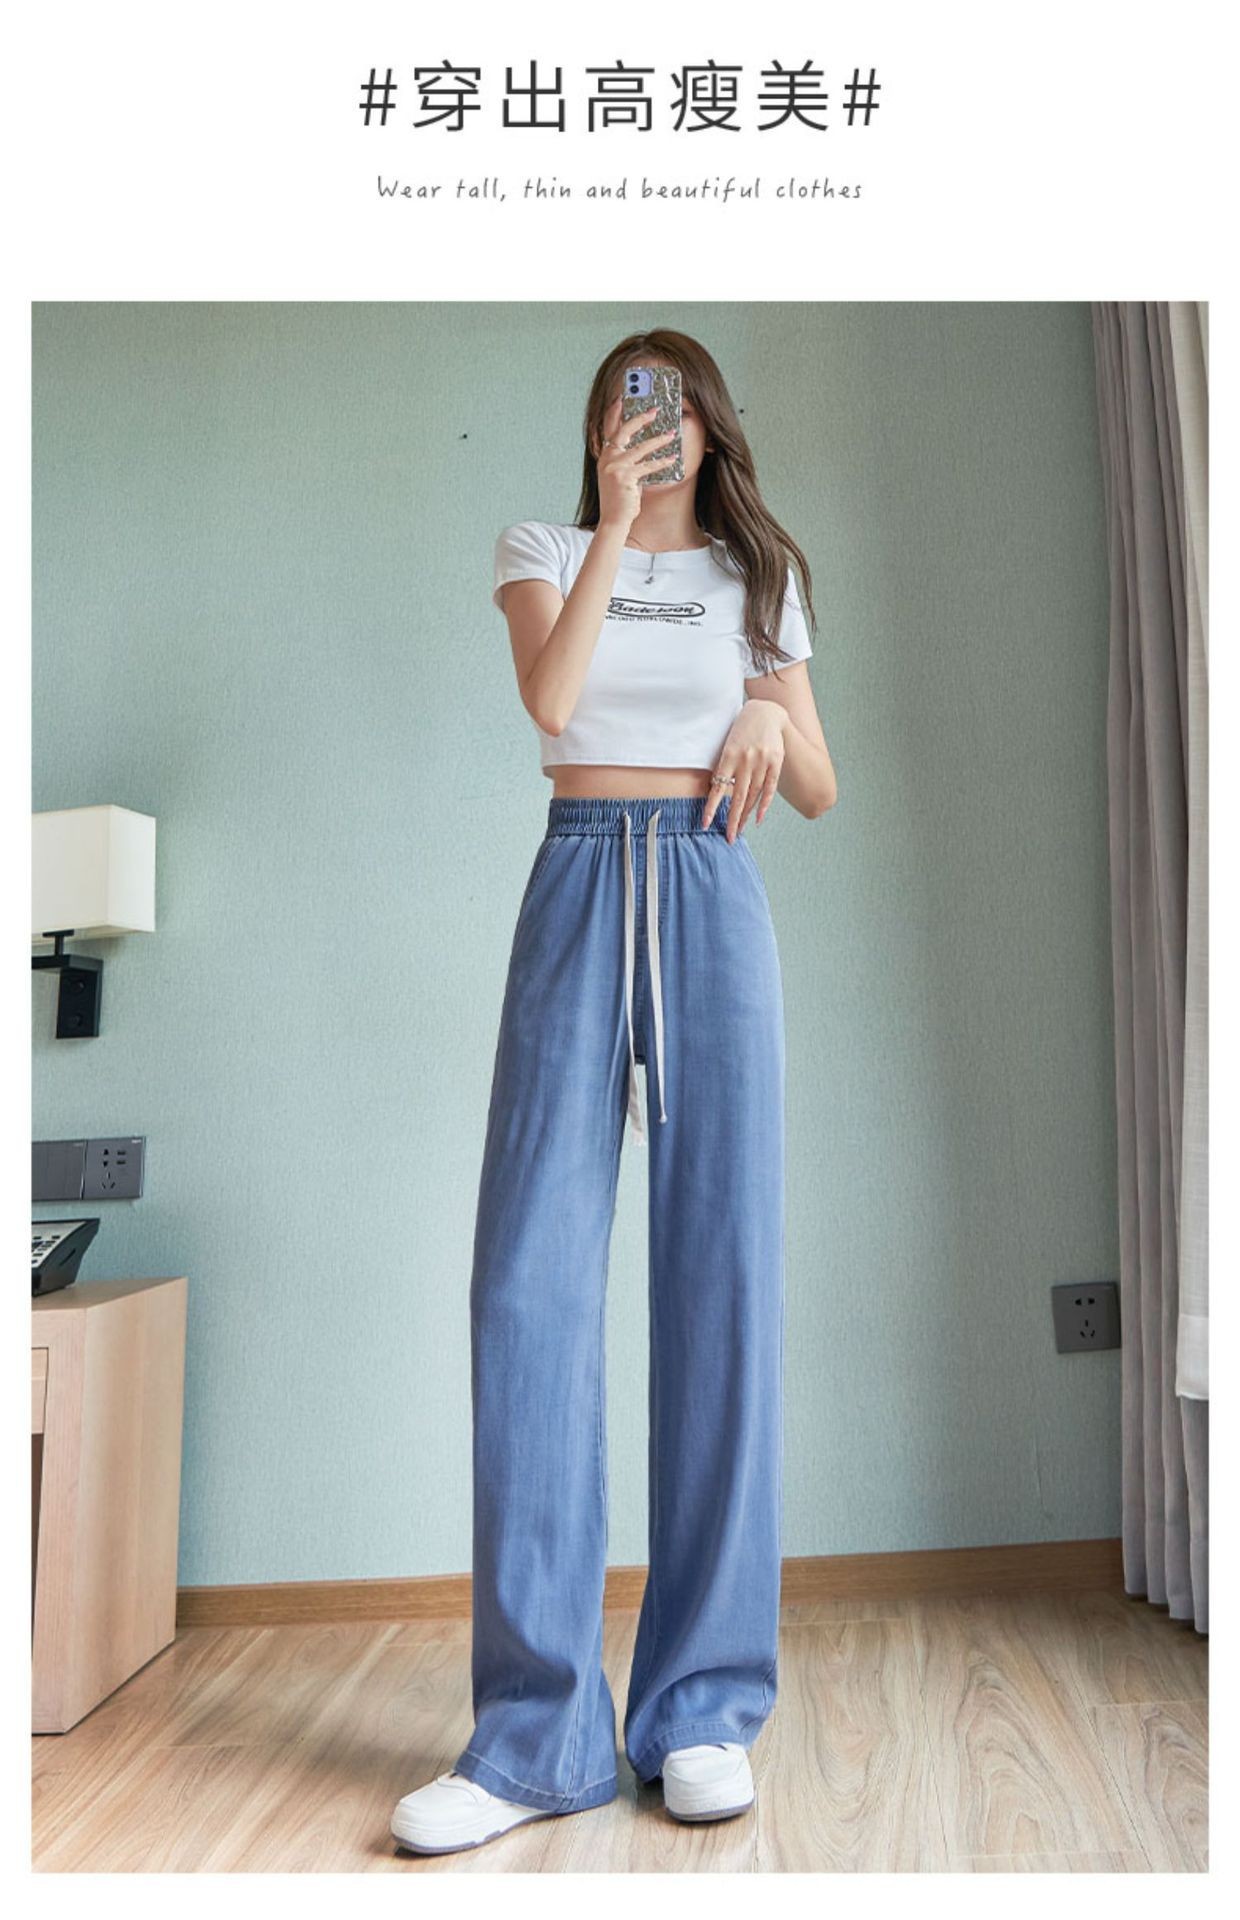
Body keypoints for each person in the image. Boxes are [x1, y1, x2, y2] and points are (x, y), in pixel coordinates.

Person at [392, 328, 838, 1856]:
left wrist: (769, 713)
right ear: (599, 428)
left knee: (721, 1289)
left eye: (675, 403)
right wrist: (611, 527)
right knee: (526, 1295)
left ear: (712, 425)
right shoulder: (539, 548)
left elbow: (820, 782)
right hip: (579, 883)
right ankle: (534, 1739)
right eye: (625, 403)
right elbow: (555, 698)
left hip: (711, 893)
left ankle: (702, 1709)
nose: (652, 423)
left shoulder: (759, 577)